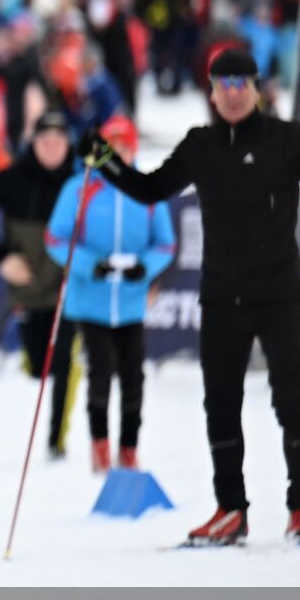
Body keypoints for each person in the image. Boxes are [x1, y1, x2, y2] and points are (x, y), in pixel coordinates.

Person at [81, 48, 300, 545]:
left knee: (288, 399)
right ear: (210, 90)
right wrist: (105, 165)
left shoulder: (286, 139)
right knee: (220, 405)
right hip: (222, 295)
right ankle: (231, 509)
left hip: (277, 294)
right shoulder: (201, 145)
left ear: (256, 88)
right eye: (222, 85)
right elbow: (150, 188)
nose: (231, 94)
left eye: (240, 84)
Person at [46, 115, 175, 474]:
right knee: (99, 372)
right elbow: (56, 239)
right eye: (112, 147)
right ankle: (100, 445)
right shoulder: (80, 186)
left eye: (125, 146)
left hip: (131, 301)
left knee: (133, 376)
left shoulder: (148, 191)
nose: (119, 154)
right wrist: (91, 265)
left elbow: (165, 243)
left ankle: (129, 448)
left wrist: (143, 267)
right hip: (91, 300)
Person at [0, 110, 81, 459]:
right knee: (37, 366)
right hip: (27, 285)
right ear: (34, 143)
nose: (52, 148)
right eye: (45, 141)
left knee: (64, 363)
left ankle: (57, 440)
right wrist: (1, 259)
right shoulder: (12, 178)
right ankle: (40, 369)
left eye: (59, 141)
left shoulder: (80, 180)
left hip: (66, 288)